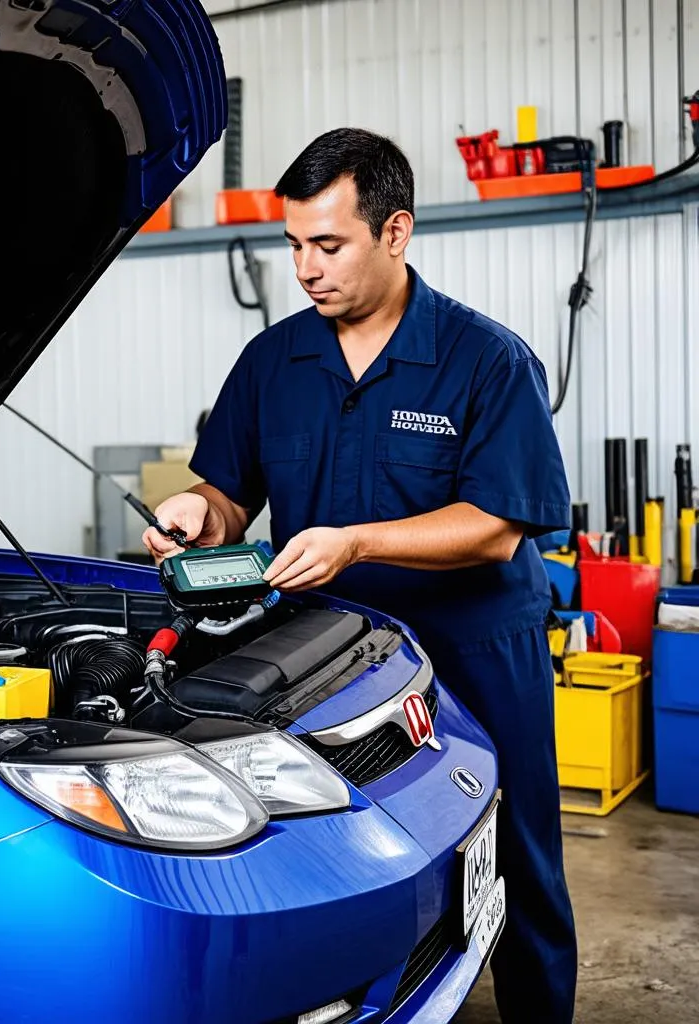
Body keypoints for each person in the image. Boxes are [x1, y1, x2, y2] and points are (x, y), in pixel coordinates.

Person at [142, 128, 577, 1023]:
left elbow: (496, 529)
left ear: (396, 232)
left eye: (328, 244)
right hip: (328, 658)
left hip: (477, 651)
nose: (306, 267)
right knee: (348, 855)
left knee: (517, 853)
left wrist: (357, 542)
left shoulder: (484, 360)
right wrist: (200, 515)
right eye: (295, 243)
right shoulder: (274, 361)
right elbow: (226, 494)